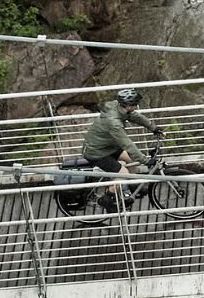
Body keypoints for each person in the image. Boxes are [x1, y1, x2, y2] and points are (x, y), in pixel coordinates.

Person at [68, 88, 165, 222]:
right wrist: (144, 160)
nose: (135, 107)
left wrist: (153, 128)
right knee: (123, 171)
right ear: (128, 105)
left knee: (131, 160)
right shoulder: (114, 123)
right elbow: (127, 143)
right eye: (134, 105)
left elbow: (135, 116)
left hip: (108, 146)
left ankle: (129, 186)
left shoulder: (120, 107)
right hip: (97, 152)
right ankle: (107, 198)